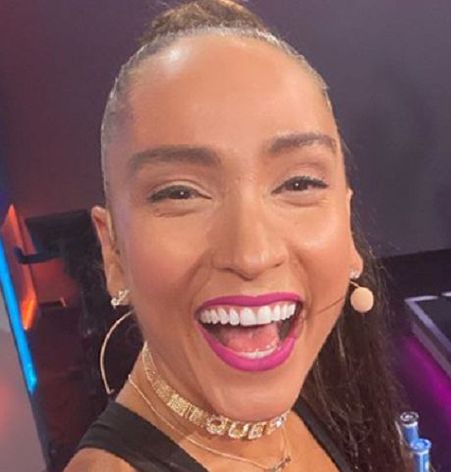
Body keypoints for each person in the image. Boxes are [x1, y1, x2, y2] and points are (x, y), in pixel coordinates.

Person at [65, 1, 409, 470]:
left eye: (299, 183)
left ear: (346, 222)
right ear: (113, 251)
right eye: (180, 192)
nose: (252, 253)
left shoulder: (317, 390)